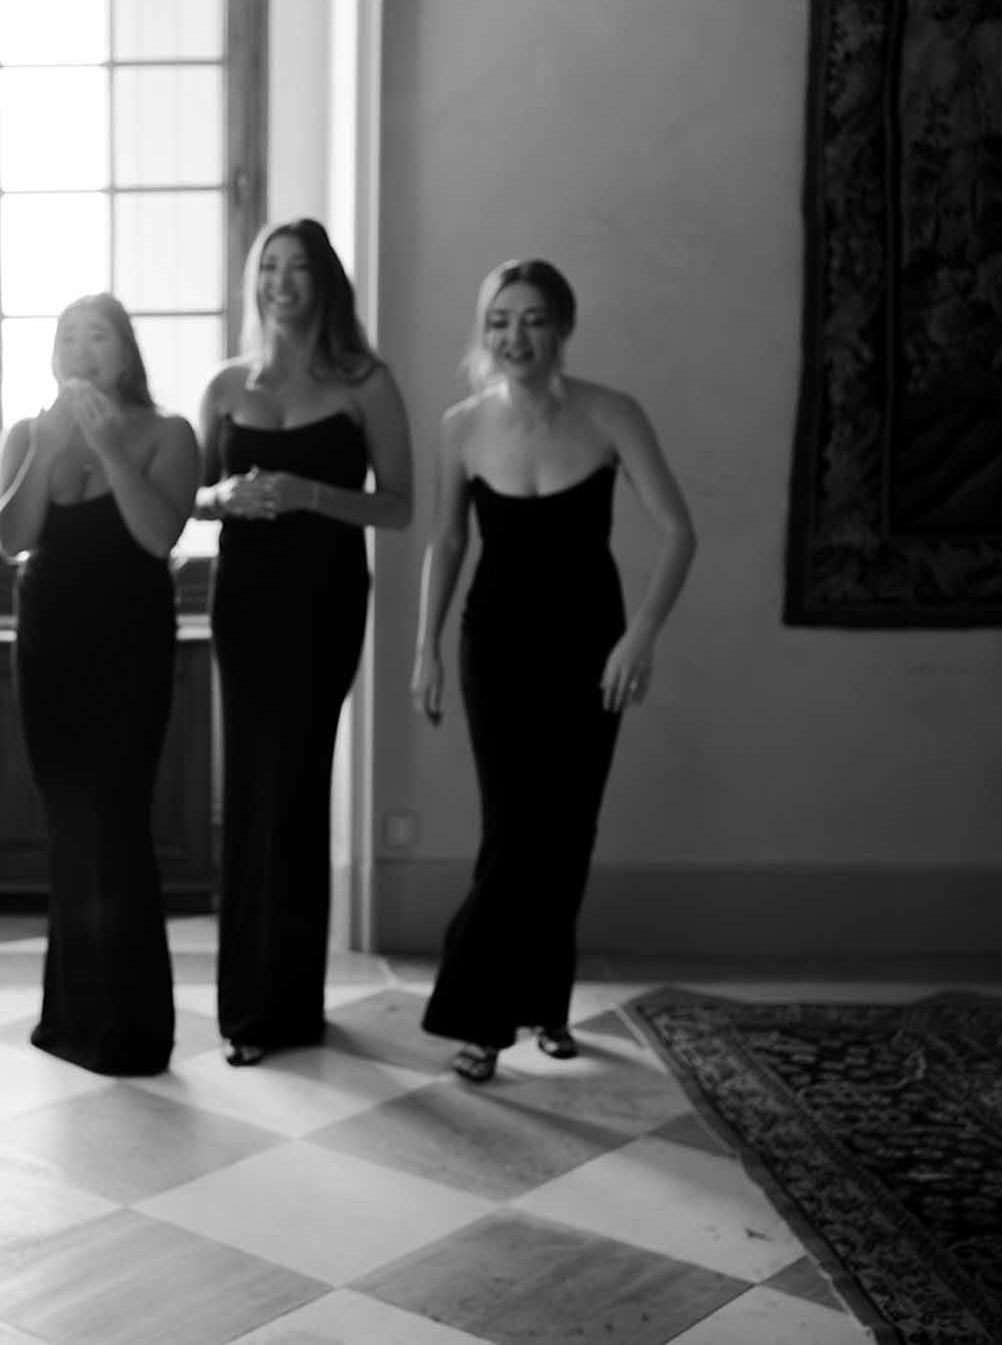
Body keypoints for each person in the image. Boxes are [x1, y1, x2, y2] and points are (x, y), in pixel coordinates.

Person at [412, 258, 696, 1083]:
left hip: (589, 642)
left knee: (567, 829)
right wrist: (424, 649)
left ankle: (548, 1007)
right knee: (514, 828)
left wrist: (640, 637)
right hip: (494, 644)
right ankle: (480, 1018)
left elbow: (679, 531)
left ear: (562, 327)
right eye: (500, 321)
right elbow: (448, 543)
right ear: (484, 331)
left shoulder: (613, 413)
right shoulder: (460, 426)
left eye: (533, 319)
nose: (515, 337)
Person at [194, 219, 413, 1067]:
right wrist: (225, 499)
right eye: (269, 268)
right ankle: (246, 1011)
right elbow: (187, 496)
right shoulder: (224, 384)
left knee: (297, 786)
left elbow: (398, 505)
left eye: (298, 268)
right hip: (243, 602)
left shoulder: (366, 382)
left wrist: (312, 495)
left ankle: (293, 1005)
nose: (281, 282)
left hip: (323, 603)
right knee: (249, 790)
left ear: (325, 282)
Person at [0, 294, 198, 1076]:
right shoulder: (26, 432)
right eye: (67, 336)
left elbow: (158, 534)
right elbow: (9, 538)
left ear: (126, 352)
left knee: (118, 820)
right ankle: (71, 1018)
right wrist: (48, 449)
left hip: (131, 643)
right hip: (49, 642)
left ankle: (134, 1028)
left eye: (97, 336)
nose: (81, 349)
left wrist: (109, 446)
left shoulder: (167, 433)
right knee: (70, 822)